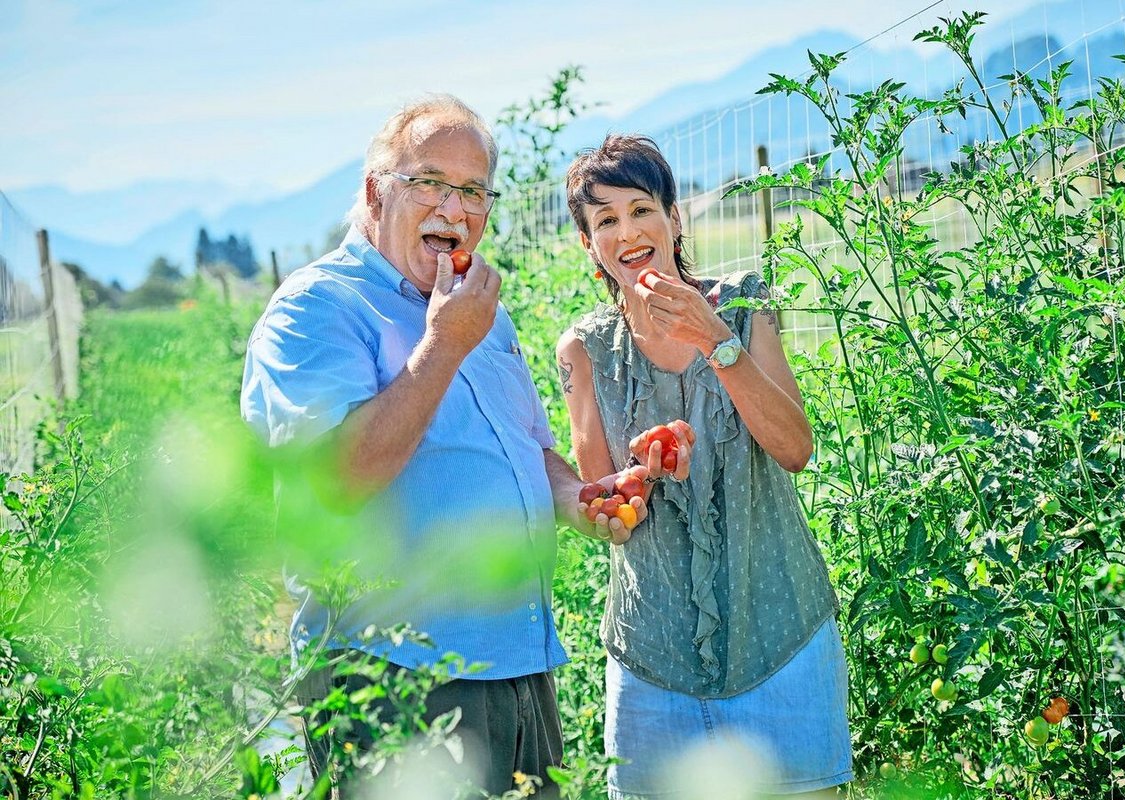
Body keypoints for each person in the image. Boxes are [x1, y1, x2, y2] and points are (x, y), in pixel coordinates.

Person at [240, 94, 643, 796]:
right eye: (429, 182)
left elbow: (523, 449)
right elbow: (336, 478)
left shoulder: (478, 308)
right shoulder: (317, 309)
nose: (454, 210)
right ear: (375, 191)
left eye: (473, 192)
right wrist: (443, 345)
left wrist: (578, 498)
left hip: (517, 666)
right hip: (395, 677)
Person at [556, 134, 853, 798]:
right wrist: (636, 481)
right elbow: (607, 511)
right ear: (588, 244)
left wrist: (716, 342)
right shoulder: (585, 352)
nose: (627, 232)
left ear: (674, 218)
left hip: (779, 637)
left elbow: (795, 449)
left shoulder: (743, 307)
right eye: (605, 221)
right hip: (654, 660)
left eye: (640, 210)